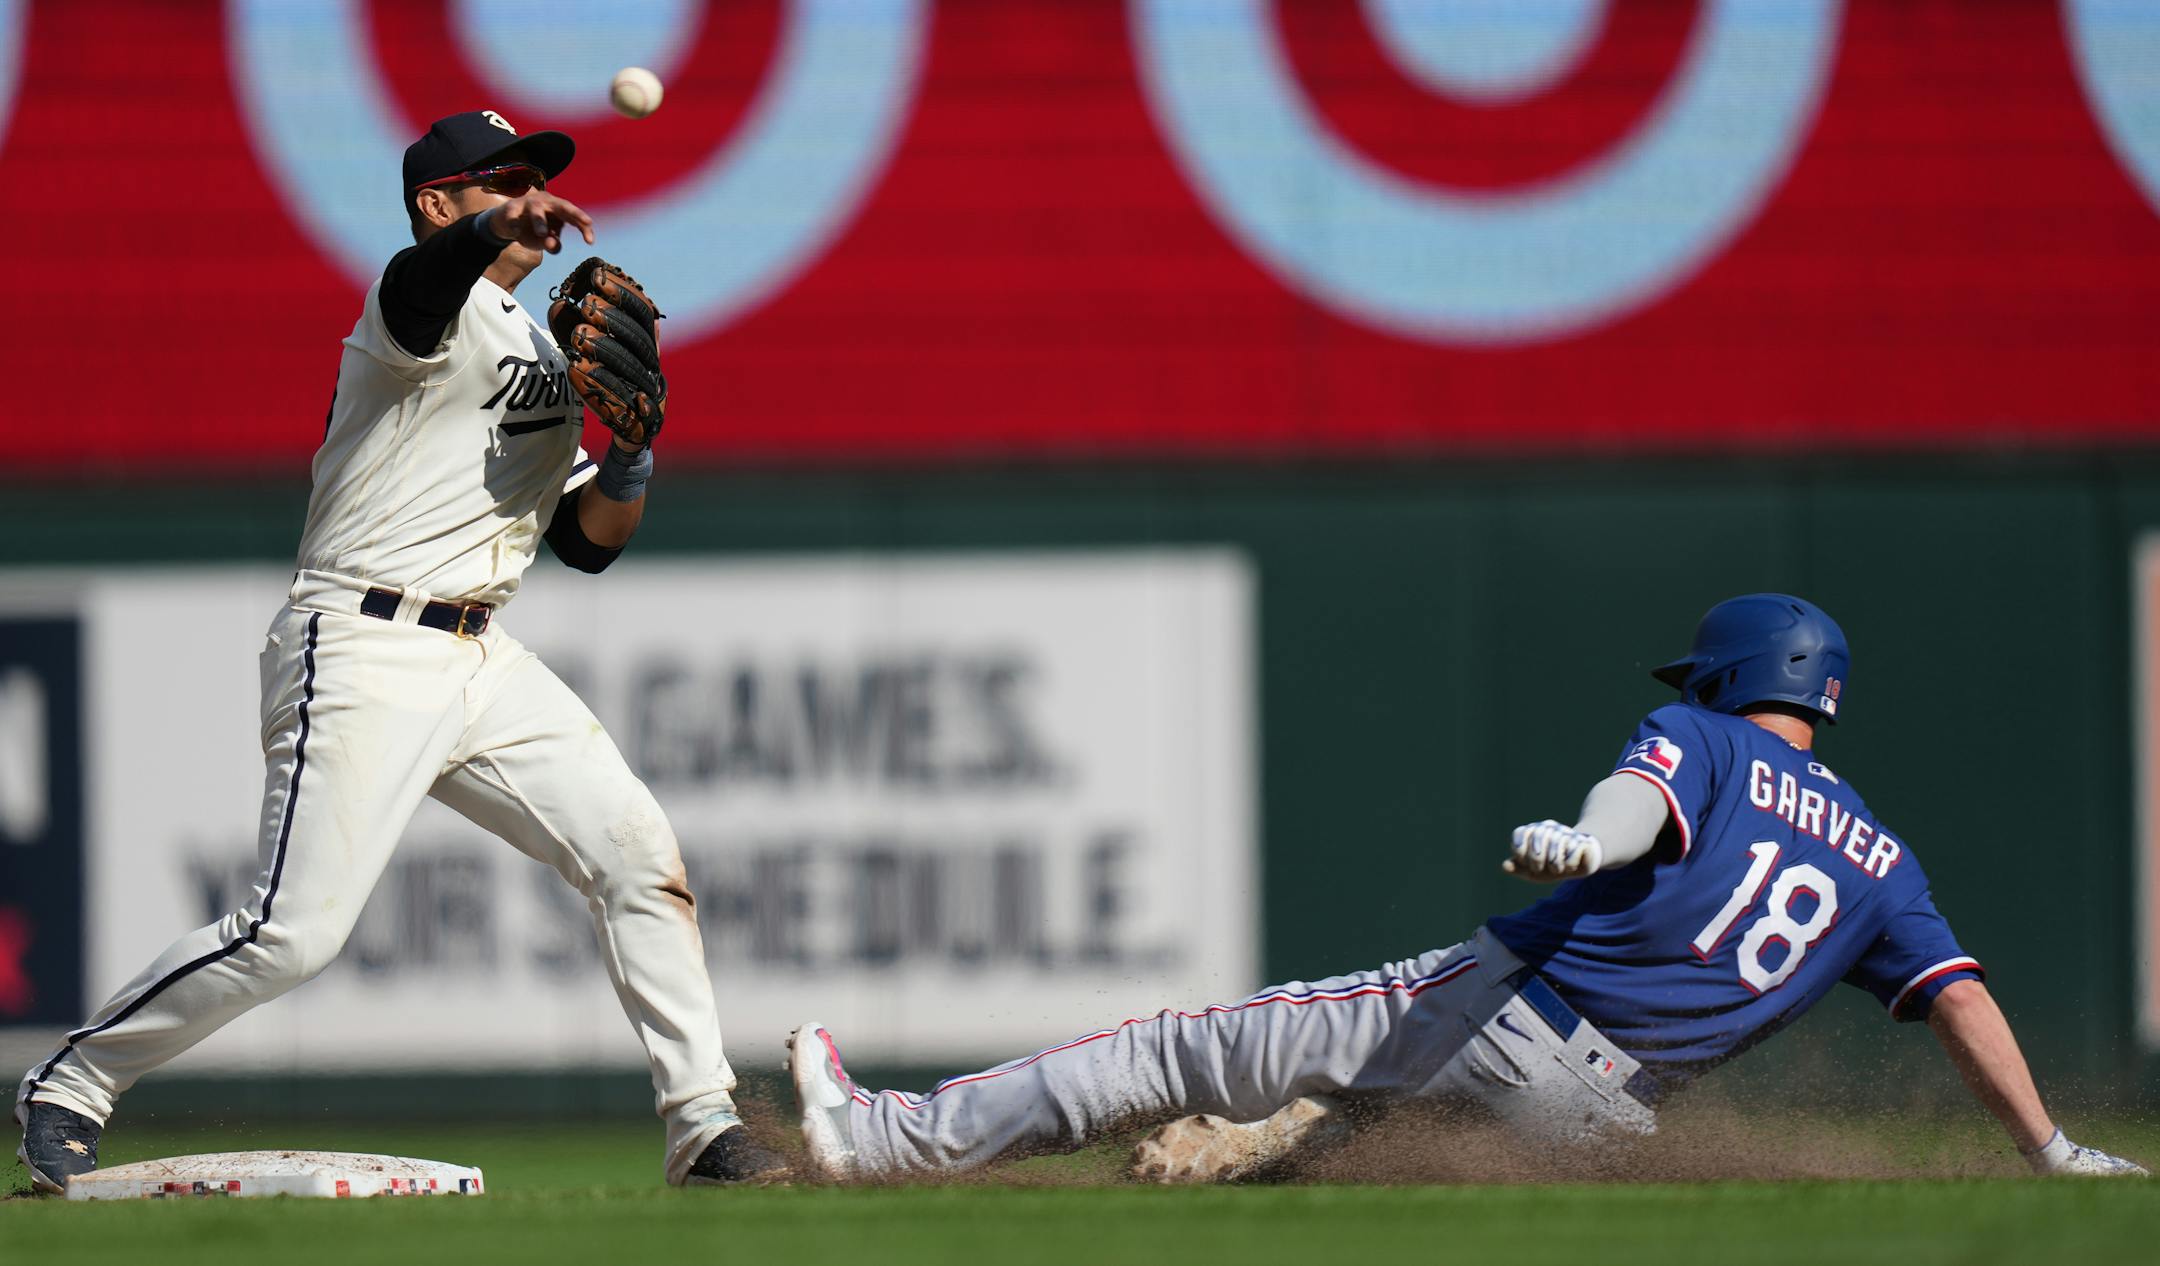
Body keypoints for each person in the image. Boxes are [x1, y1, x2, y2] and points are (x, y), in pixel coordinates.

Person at [15, 109, 785, 1193]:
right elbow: (423, 285)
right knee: (293, 935)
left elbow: (586, 546)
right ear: (440, 204)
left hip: (480, 654)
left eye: (538, 180)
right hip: (361, 638)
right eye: (504, 180)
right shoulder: (406, 313)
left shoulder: (540, 346)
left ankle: (703, 1126)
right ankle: (71, 1082)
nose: (533, 199)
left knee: (636, 853)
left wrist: (632, 456)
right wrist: (485, 233)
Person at [785, 594, 2147, 1182]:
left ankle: (877, 1141)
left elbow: (1639, 802)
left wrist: (1585, 836)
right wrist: (2045, 1145)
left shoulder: (1716, 741)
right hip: (1607, 1122)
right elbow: (1959, 1000)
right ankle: (1276, 1147)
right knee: (1334, 1163)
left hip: (1508, 1013)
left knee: (1167, 1049)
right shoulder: (1882, 860)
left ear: (1735, 680)